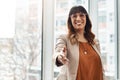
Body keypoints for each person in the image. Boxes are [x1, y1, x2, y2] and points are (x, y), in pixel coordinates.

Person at [53, 5, 104, 80]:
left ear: (86, 18)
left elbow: (101, 69)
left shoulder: (95, 42)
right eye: (74, 16)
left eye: (81, 15)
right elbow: (58, 52)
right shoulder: (64, 38)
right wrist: (60, 57)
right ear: (70, 20)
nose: (78, 18)